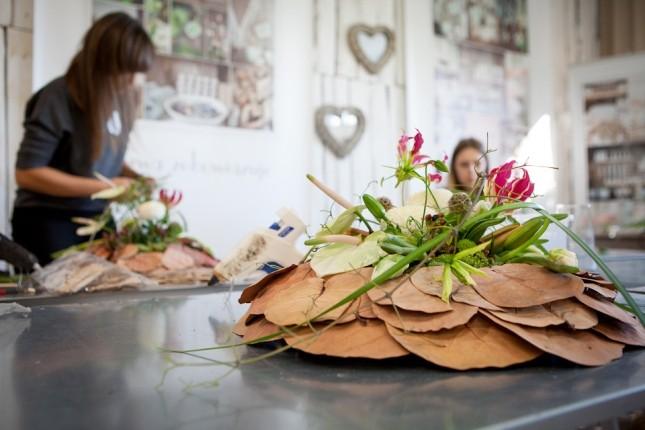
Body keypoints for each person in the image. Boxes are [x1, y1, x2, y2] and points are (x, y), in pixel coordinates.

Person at [11, 13, 155, 265]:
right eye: (126, 72)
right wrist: (108, 187)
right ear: (104, 62)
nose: (133, 82)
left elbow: (103, 160)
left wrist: (135, 178)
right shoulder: (56, 98)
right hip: (49, 221)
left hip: (97, 218)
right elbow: (28, 173)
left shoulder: (119, 99)